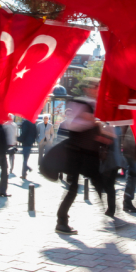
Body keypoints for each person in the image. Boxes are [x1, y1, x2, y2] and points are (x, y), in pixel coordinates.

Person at [55, 78, 111, 235]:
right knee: (73, 189)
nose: (97, 90)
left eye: (99, 87)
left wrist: (101, 132)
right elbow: (72, 124)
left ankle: (110, 216)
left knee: (99, 183)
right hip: (76, 153)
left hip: (90, 154)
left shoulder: (96, 105)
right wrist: (90, 121)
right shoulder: (79, 102)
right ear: (88, 88)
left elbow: (101, 128)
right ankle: (61, 222)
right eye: (95, 87)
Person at [122, 126, 136, 213]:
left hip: (130, 148)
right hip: (132, 149)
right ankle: (127, 201)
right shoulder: (133, 123)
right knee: (132, 175)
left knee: (132, 174)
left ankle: (127, 201)